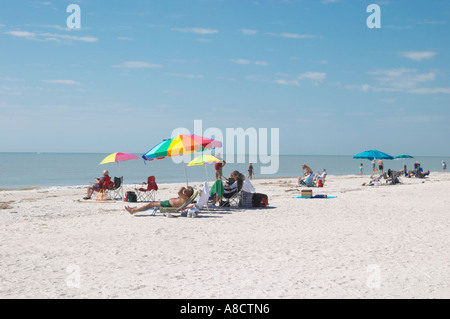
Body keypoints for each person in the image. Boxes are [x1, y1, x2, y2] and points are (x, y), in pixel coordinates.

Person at [125, 186, 194, 215]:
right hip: (167, 203)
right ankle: (133, 209)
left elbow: (179, 192)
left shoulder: (186, 197)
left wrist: (182, 188)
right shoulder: (185, 197)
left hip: (168, 205)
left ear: (189, 192)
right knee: (151, 204)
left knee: (150, 205)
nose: (185, 190)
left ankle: (133, 211)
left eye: (187, 190)